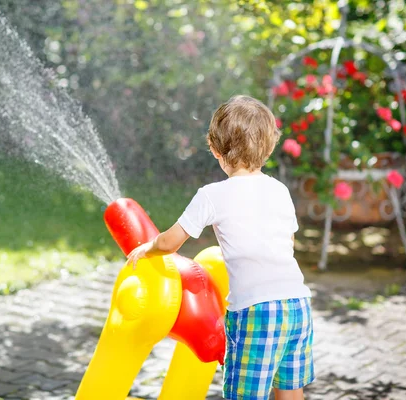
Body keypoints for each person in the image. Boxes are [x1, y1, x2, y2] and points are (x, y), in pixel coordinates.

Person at [127, 95, 314, 400]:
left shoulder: (212, 195)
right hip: (296, 304)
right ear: (269, 147)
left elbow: (170, 242)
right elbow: (288, 243)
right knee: (291, 392)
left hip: (256, 310)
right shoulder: (279, 190)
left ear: (214, 149)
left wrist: (148, 247)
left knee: (245, 394)